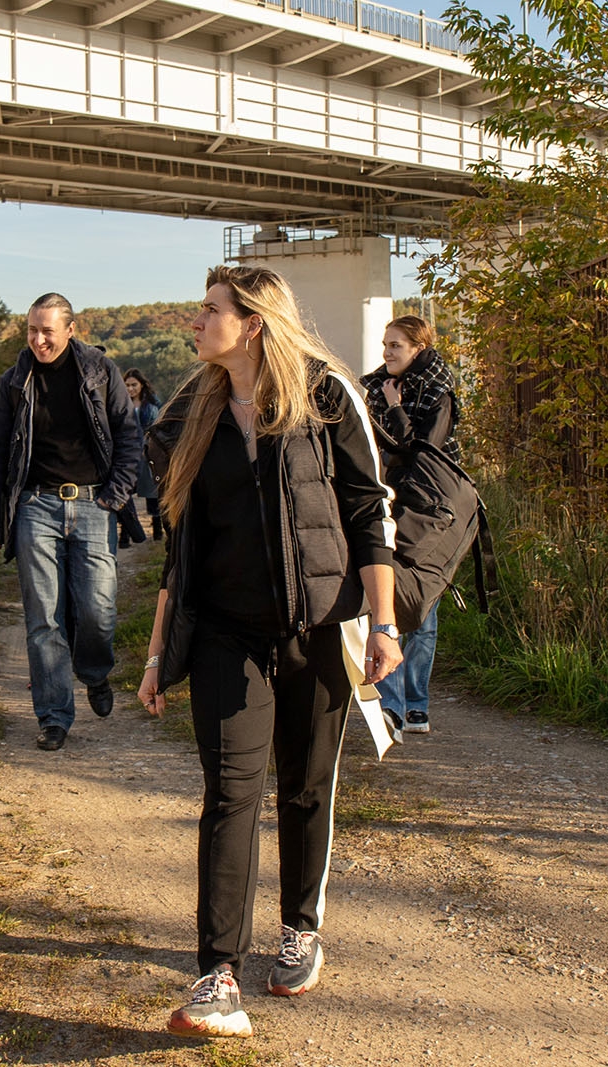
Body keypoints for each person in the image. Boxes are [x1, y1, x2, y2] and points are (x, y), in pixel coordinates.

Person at [137, 265, 403, 1039]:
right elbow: (181, 551)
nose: (196, 321)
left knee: (306, 786)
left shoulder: (326, 396)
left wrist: (384, 624)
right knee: (230, 793)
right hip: (227, 634)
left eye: (210, 310)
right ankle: (217, 975)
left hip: (318, 628)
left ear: (252, 322)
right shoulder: (194, 411)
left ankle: (299, 929)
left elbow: (370, 512)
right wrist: (156, 654)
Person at [0, 293, 141, 752]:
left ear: (70, 329)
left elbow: (128, 436)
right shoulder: (14, 381)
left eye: (47, 330)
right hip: (35, 508)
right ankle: (53, 717)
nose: (38, 339)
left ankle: (94, 672)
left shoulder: (100, 372)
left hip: (93, 505)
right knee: (44, 618)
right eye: (32, 330)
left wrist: (114, 496)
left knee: (98, 610)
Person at [360, 314, 460, 736]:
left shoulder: (438, 391)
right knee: (390, 599)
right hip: (390, 499)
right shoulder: (378, 389)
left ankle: (416, 704)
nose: (386, 352)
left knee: (423, 605)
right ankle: (393, 708)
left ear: (418, 348)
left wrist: (396, 408)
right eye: (385, 344)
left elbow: (424, 451)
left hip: (432, 507)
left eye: (395, 345)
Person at [123, 368, 164, 540]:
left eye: (134, 385)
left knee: (152, 491)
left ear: (141, 385)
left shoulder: (152, 404)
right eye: (127, 385)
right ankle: (125, 533)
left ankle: (157, 530)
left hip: (147, 453)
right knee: (124, 492)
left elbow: (157, 427)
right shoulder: (121, 403)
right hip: (127, 454)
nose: (130, 389)